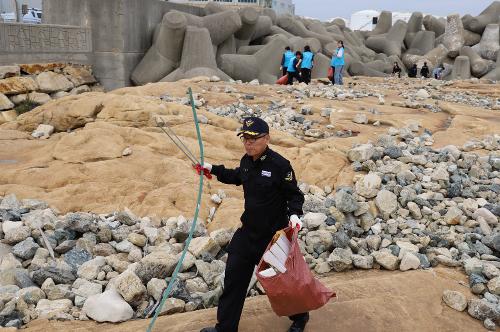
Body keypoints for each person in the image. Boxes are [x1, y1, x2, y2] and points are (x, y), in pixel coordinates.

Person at [199, 117, 309, 332]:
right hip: (247, 232)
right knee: (233, 279)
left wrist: (295, 215)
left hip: (272, 237)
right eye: (245, 138)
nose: (248, 143)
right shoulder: (246, 161)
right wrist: (212, 168)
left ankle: (300, 316)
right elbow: (236, 176)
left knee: (279, 283)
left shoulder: (280, 165)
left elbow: (294, 196)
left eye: (253, 138)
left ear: (266, 138)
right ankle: (226, 328)